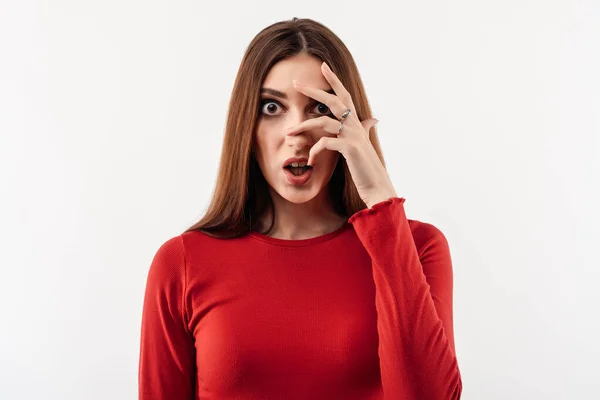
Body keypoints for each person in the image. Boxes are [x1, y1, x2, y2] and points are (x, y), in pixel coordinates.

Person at [138, 17, 462, 400]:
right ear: (246, 123)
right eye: (272, 106)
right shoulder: (183, 263)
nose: (296, 132)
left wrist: (380, 199)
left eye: (318, 109)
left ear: (348, 123)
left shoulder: (417, 247)